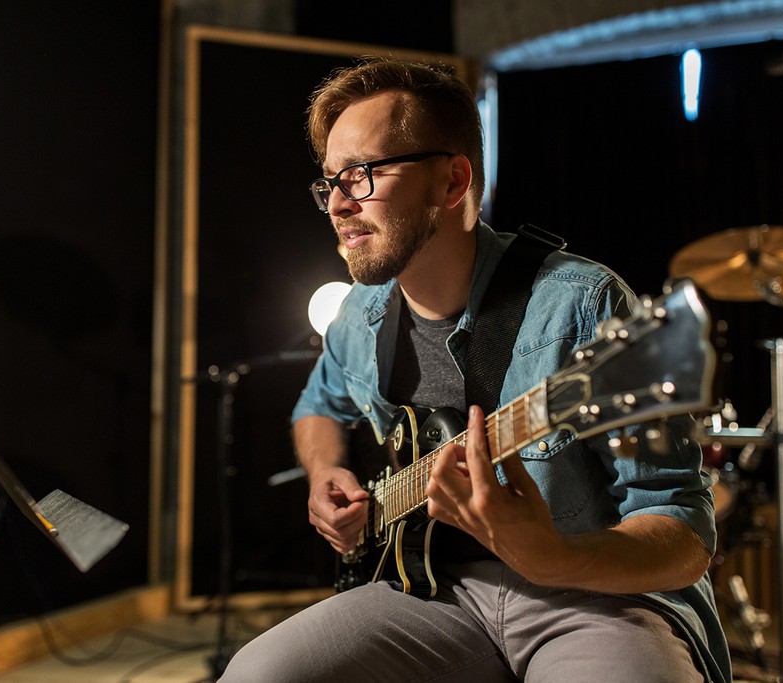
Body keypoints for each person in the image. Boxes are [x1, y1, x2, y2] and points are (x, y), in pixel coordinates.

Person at [220, 57, 731, 683]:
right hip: (436, 593)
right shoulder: (357, 316)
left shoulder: (582, 303)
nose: (337, 204)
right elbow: (316, 408)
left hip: (597, 599)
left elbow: (684, 540)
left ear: (453, 181)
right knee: (256, 674)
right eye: (329, 182)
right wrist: (326, 473)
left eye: (361, 175)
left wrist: (557, 556)